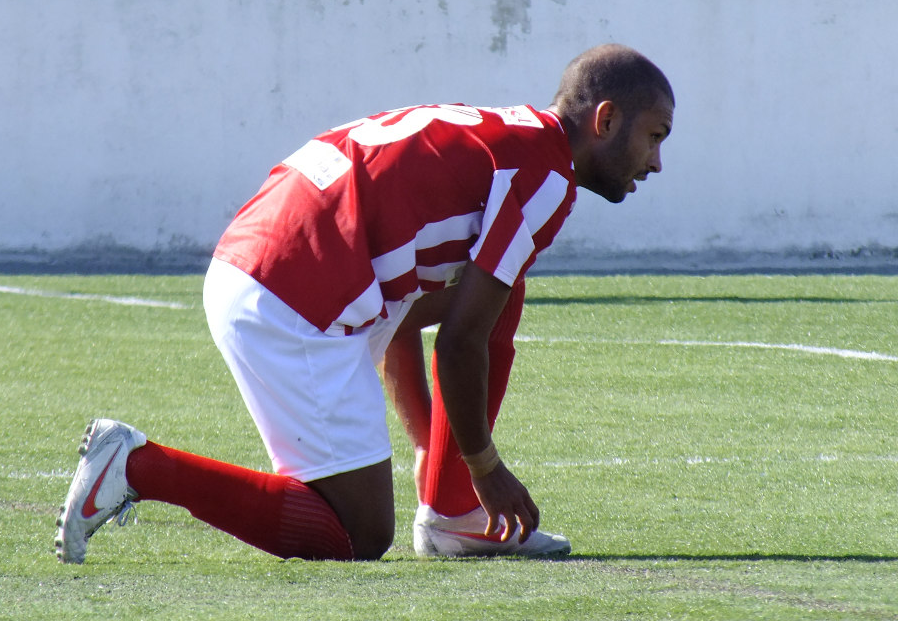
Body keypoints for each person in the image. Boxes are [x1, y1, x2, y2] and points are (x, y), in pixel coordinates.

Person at [54, 43, 675, 564]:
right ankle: (138, 467)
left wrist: (432, 450)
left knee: (498, 291)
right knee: (358, 534)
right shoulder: (547, 176)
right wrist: (485, 467)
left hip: (267, 259)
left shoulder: (510, 133)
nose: (656, 162)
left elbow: (411, 312)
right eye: (653, 137)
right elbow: (459, 344)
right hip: (290, 292)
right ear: (605, 120)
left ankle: (452, 516)